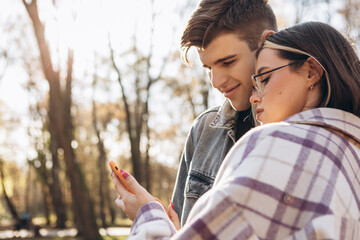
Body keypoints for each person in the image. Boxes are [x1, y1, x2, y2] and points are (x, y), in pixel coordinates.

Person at [112, 21, 360, 239]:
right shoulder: (350, 155)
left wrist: (148, 215)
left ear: (311, 72)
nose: (255, 98)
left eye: (264, 79)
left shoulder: (276, 142)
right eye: (208, 69)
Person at [172, 0, 277, 226]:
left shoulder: (303, 132)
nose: (216, 82)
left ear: (266, 44)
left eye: (228, 62)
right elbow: (179, 228)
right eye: (209, 68)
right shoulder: (203, 130)